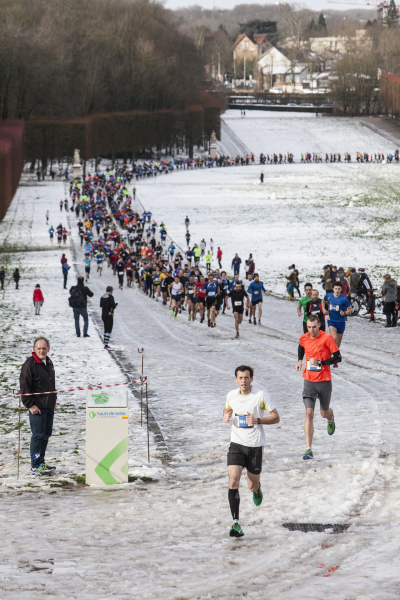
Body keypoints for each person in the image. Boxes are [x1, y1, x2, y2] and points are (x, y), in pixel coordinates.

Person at [223, 365, 280, 537]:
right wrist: (225, 415)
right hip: (236, 444)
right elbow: (227, 409)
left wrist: (258, 420)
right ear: (236, 380)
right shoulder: (231, 395)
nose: (243, 381)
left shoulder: (260, 396)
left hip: (255, 446)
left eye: (246, 377)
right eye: (240, 378)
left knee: (251, 485)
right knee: (233, 481)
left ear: (251, 379)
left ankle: (257, 489)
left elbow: (276, 417)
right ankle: (236, 523)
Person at [296, 315, 341, 460]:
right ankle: (308, 449)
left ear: (319, 325)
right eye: (309, 327)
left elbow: (338, 357)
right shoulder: (303, 338)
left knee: (323, 413)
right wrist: (299, 360)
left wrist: (322, 363)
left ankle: (330, 417)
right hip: (309, 380)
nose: (311, 330)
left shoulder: (327, 338)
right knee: (309, 413)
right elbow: (301, 347)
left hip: (324, 381)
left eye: (314, 327)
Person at [20, 337, 57, 476]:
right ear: (34, 349)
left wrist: (54, 400)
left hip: (49, 405)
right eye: (39, 348)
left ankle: (41, 462)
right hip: (37, 407)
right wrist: (30, 405)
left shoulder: (49, 362)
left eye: (44, 348)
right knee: (38, 436)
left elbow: (51, 384)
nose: (42, 350)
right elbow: (24, 386)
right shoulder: (30, 364)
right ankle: (35, 466)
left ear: (48, 349)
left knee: (46, 435)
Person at [322, 281, 353, 354]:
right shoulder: (329, 296)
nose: (337, 291)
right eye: (336, 289)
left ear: (341, 289)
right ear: (333, 289)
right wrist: (323, 309)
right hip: (331, 321)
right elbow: (323, 301)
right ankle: (329, 353)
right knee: (334, 337)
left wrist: (345, 313)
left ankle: (335, 356)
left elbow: (351, 309)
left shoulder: (344, 299)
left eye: (339, 289)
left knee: (338, 343)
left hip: (341, 322)